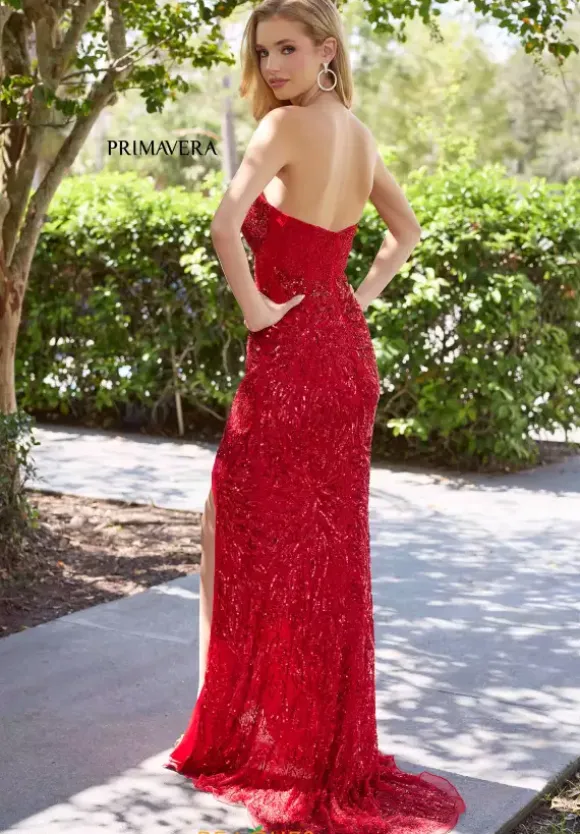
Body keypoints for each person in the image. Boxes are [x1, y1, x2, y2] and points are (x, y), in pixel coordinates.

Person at [163, 1, 467, 832]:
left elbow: (225, 226)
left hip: (291, 358)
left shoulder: (283, 129)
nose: (273, 67)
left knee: (238, 530)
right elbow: (405, 233)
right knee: (322, 556)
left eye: (288, 49)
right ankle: (304, 740)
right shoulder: (360, 137)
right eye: (263, 52)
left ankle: (236, 729)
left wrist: (257, 309)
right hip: (344, 357)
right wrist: (353, 301)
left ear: (327, 50)